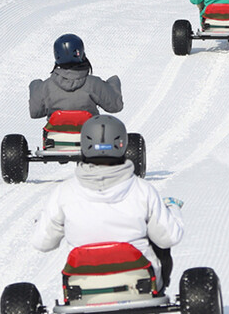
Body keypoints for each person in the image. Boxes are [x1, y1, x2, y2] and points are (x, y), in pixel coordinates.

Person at [31, 115, 184, 293]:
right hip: (139, 280)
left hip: (82, 285)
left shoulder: (63, 192)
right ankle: (154, 289)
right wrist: (172, 210)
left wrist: (47, 221)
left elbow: (42, 243)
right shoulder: (142, 189)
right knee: (158, 237)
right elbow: (169, 238)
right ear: (123, 144)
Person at [28, 34, 123, 119]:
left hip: (55, 136)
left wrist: (35, 86)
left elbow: (35, 112)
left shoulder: (47, 86)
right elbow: (115, 106)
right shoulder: (93, 83)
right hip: (88, 135)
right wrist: (113, 82)